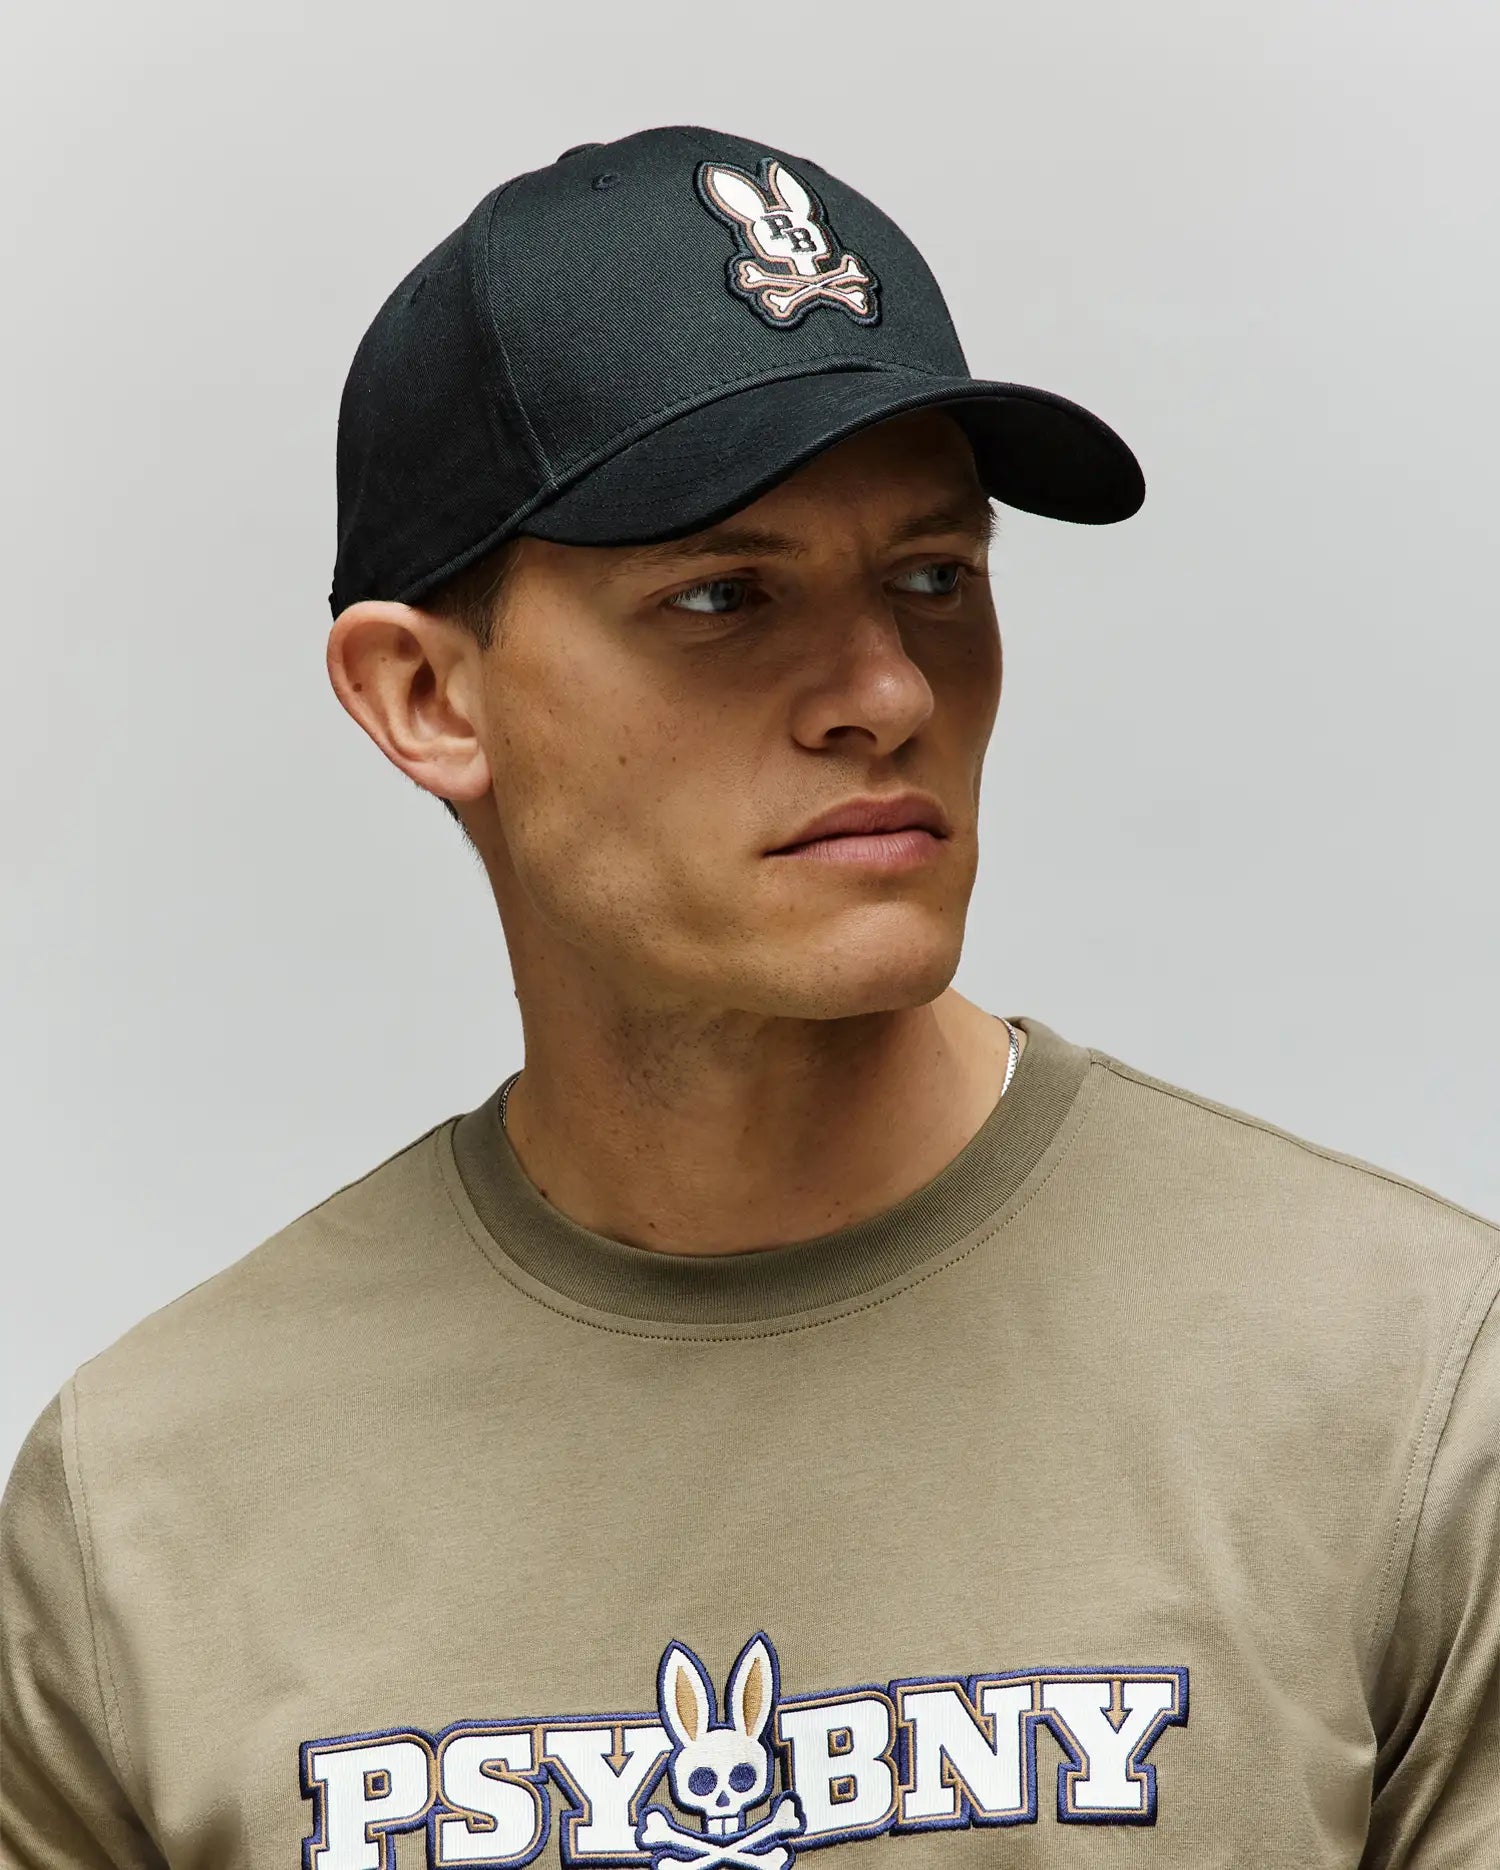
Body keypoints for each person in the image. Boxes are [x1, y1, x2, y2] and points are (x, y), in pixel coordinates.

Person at [2, 124, 1494, 1870]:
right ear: (425, 696)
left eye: (934, 578)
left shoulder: (1410, 1387)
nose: (887, 690)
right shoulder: (148, 1508)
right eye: (724, 594)